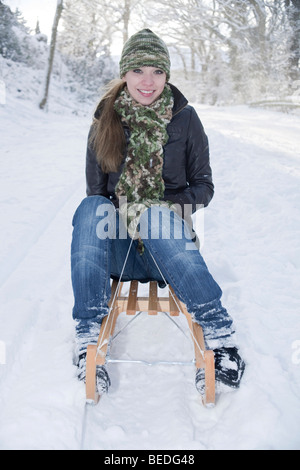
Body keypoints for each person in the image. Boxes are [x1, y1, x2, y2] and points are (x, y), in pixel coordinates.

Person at [71, 29, 245, 395]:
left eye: (157, 71)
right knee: (91, 207)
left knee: (152, 216)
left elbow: (204, 186)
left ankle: (219, 332)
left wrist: (161, 211)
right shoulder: (104, 121)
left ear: (167, 76)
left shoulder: (185, 119)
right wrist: (126, 216)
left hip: (170, 249)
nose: (147, 81)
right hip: (120, 251)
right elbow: (98, 196)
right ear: (124, 74)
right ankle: (87, 332)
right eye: (138, 71)